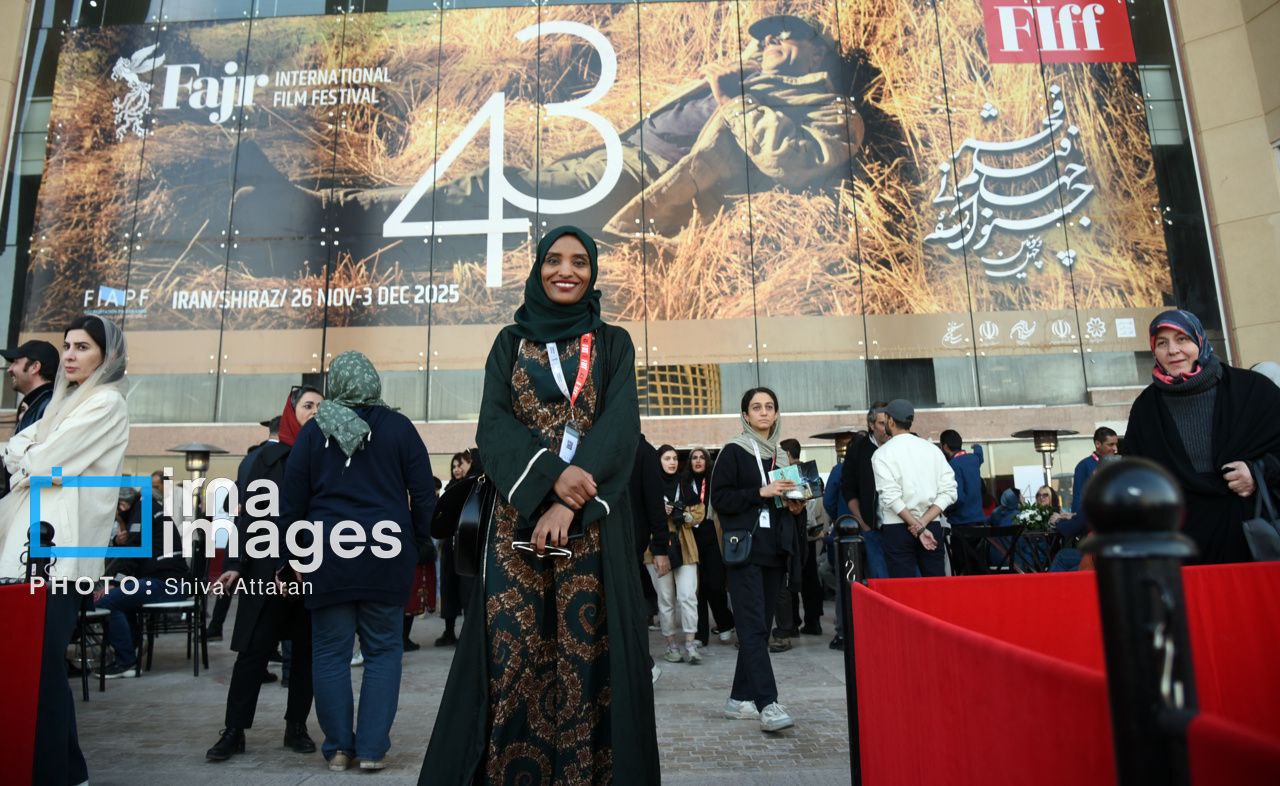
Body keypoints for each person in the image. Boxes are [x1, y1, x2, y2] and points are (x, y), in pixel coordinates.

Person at [241, 15, 860, 255]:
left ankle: (333, 218)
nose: (770, 43)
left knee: (503, 189)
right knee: (509, 209)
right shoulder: (753, 72)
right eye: (766, 35)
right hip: (623, 153)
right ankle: (347, 216)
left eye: (787, 36)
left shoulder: (837, 111)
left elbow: (794, 161)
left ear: (818, 52)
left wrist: (732, 98)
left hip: (649, 176)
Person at [421, 226, 657, 784]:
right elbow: (494, 426)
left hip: (591, 526)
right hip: (514, 524)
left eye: (579, 262)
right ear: (538, 269)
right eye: (554, 260)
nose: (566, 271)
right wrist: (550, 483)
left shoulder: (615, 343)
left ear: (593, 272)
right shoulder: (509, 342)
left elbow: (620, 430)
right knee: (514, 657)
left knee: (589, 657)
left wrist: (569, 505)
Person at [277, 354, 433, 771]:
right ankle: (371, 749)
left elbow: (292, 501)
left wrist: (295, 552)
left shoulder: (313, 433)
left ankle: (338, 748)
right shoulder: (399, 429)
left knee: (330, 652)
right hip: (385, 553)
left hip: (327, 555)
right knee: (383, 651)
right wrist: (417, 543)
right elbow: (424, 494)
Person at [0, 314, 128, 786]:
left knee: (43, 665)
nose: (71, 355)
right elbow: (21, 449)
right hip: (29, 544)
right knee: (34, 664)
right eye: (68, 346)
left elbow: (43, 460)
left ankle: (60, 772)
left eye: (83, 347)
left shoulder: (107, 402)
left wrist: (28, 458)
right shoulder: (64, 401)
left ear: (105, 356)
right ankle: (64, 769)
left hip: (62, 552)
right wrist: (27, 458)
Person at [206, 385, 324, 763]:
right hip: (264, 571)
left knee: (304, 654)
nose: (315, 412)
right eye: (308, 405)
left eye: (322, 407)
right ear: (290, 411)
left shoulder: (328, 457)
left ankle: (296, 727)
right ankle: (234, 730)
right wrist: (236, 565)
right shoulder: (263, 459)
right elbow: (247, 518)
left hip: (308, 572)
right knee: (252, 653)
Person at [1124, 309, 1280, 564]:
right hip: (1182, 548)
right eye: (1162, 343)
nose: (1173, 350)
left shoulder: (1253, 390)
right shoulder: (1146, 409)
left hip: (1250, 540)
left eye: (1182, 339)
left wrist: (1257, 471)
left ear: (1199, 341)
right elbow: (1135, 476)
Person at [710, 386, 802, 733]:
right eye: (756, 407)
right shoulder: (734, 450)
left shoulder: (780, 455)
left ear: (776, 414)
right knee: (751, 627)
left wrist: (793, 503)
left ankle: (738, 699)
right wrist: (759, 493)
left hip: (774, 551)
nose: (763, 412)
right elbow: (720, 499)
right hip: (744, 550)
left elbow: (783, 503)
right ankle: (767, 702)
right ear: (745, 415)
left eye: (769, 407)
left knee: (758, 629)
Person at [95, 488, 190, 678]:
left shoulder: (143, 512)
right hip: (170, 581)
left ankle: (126, 661)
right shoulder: (148, 508)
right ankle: (133, 647)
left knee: (107, 601)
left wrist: (113, 583)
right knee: (121, 599)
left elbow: (133, 552)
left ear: (122, 505)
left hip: (165, 583)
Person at [208, 416, 282, 642]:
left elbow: (230, 501)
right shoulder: (275, 459)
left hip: (240, 531)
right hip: (264, 535)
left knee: (234, 581)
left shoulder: (248, 458)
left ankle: (217, 626)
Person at [870, 400, 957, 578]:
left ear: (891, 421)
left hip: (897, 527)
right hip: (931, 522)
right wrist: (922, 523)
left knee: (904, 592)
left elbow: (891, 498)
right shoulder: (932, 450)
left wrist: (916, 526)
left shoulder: (882, 454)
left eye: (885, 418)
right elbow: (949, 492)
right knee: (935, 588)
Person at [646, 444, 703, 664]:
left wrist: (682, 513)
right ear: (658, 462)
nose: (672, 463)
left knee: (688, 595)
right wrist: (661, 511)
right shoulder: (649, 486)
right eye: (667, 459)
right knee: (666, 599)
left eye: (674, 459)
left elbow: (699, 512)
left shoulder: (685, 483)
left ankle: (690, 643)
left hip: (685, 546)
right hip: (657, 549)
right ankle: (671, 646)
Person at [773, 438, 824, 640]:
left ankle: (793, 623)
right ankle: (813, 621)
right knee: (810, 579)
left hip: (798, 535)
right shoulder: (810, 473)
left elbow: (804, 506)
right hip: (809, 535)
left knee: (793, 579)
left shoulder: (789, 475)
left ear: (786, 454)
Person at [688, 446, 734, 647]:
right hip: (691, 538)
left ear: (707, 461)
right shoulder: (684, 483)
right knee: (697, 589)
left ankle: (725, 622)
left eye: (702, 458)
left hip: (713, 537)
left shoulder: (715, 482)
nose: (698, 461)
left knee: (715, 585)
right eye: (694, 458)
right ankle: (700, 635)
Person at [435, 449, 477, 647]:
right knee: (448, 589)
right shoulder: (450, 487)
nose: (457, 469)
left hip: (467, 546)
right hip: (450, 547)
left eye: (460, 464)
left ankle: (468, 635)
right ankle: (448, 631)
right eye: (454, 466)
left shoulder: (475, 485)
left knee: (466, 591)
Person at [1067, 427, 1117, 537]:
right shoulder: (1084, 465)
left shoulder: (1118, 464)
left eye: (1115, 444)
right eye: (1111, 444)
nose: (1115, 448)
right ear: (1098, 444)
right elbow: (1078, 498)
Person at [3, 339, 58, 434]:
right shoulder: (36, 402)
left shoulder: (49, 406)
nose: (9, 369)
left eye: (16, 362)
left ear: (35, 367)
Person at [940, 430, 985, 527]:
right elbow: (979, 455)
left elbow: (957, 497)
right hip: (979, 519)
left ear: (945, 447)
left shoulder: (952, 465)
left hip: (962, 522)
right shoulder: (974, 459)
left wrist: (945, 509)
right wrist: (977, 446)